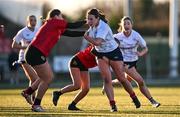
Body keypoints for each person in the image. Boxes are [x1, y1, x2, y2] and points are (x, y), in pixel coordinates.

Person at [21, 9, 86, 112]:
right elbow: (73, 25)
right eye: (61, 16)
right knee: (48, 78)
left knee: (44, 77)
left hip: (34, 52)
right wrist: (87, 21)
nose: (62, 19)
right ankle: (36, 105)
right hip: (36, 52)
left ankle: (28, 92)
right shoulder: (54, 22)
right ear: (56, 16)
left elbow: (71, 33)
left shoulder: (56, 26)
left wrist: (87, 33)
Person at [83, 8, 141, 112]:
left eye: (91, 19)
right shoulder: (91, 28)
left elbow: (97, 42)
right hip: (101, 54)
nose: (89, 22)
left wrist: (86, 37)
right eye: (88, 19)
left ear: (97, 18)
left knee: (122, 78)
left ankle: (134, 97)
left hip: (113, 52)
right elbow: (94, 44)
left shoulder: (103, 27)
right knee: (106, 79)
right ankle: (113, 105)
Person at [104, 16, 160, 108]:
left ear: (131, 25)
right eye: (124, 24)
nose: (126, 25)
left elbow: (145, 48)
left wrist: (141, 53)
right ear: (122, 25)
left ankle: (108, 83)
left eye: (128, 23)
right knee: (140, 81)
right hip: (122, 62)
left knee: (125, 80)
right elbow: (107, 44)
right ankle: (152, 101)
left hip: (133, 62)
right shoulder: (116, 37)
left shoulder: (136, 35)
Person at [52, 45, 97, 110]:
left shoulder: (109, 49)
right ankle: (58, 93)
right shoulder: (101, 46)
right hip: (77, 61)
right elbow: (93, 52)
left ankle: (72, 105)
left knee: (86, 89)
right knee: (77, 85)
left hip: (84, 65)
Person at [12, 15, 39, 101]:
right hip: (24, 58)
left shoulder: (38, 30)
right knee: (36, 79)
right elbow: (14, 45)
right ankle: (32, 97)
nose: (33, 22)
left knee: (33, 79)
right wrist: (26, 47)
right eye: (31, 20)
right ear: (28, 22)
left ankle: (30, 96)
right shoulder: (22, 32)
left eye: (35, 20)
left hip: (34, 57)